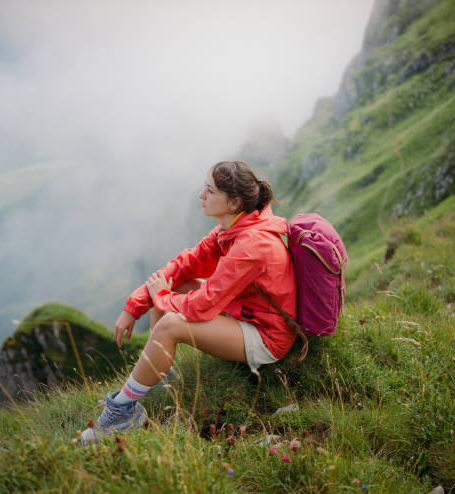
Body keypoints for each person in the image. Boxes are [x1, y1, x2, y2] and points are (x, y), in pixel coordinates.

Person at [79, 160, 297, 443]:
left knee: (171, 324)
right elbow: (185, 266)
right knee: (175, 286)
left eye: (209, 190)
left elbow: (203, 305)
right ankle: (160, 378)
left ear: (233, 203)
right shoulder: (230, 229)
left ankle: (121, 412)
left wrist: (160, 297)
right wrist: (134, 305)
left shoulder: (251, 244)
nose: (201, 195)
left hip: (267, 335)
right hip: (246, 312)